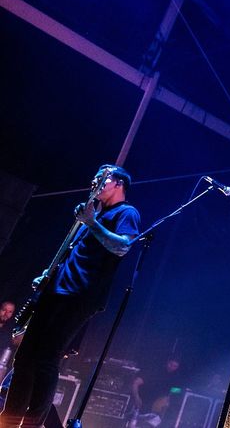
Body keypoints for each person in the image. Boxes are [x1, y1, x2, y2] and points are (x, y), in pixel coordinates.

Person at [0, 165, 140, 427]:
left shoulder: (126, 212)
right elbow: (78, 255)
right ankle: (9, 420)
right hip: (57, 291)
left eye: (102, 178)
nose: (95, 181)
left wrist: (92, 223)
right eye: (95, 177)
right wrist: (50, 274)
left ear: (119, 183)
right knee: (25, 356)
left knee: (46, 357)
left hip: (80, 295)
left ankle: (32, 422)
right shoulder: (96, 213)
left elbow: (122, 246)